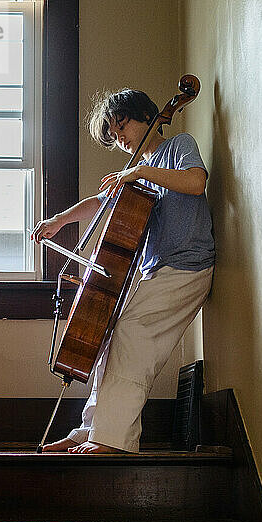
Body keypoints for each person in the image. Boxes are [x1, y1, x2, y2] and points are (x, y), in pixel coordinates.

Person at [31, 89, 215, 454]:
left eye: (122, 126)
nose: (120, 138)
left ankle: (115, 439)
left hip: (187, 265)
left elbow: (196, 182)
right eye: (114, 137)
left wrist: (140, 171)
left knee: (131, 335)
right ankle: (91, 428)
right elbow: (102, 202)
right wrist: (60, 219)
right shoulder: (136, 173)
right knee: (110, 336)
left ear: (146, 116)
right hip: (156, 270)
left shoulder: (178, 145)